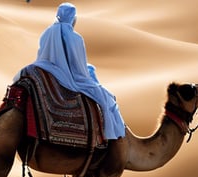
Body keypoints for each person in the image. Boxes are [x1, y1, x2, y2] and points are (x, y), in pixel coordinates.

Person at [13, 2, 126, 140]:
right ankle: (109, 137)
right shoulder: (76, 38)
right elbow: (78, 68)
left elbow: (42, 56)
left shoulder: (46, 33)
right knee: (106, 99)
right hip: (70, 76)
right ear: (73, 18)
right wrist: (88, 74)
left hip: (44, 69)